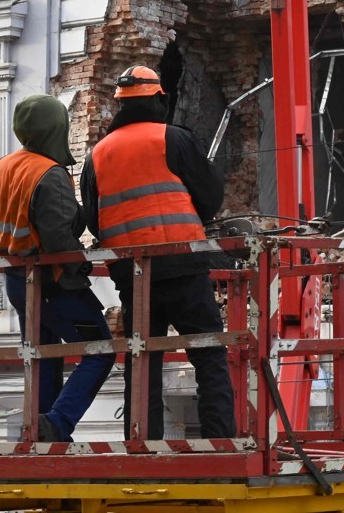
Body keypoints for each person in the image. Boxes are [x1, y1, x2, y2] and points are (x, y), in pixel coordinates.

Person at [80, 65, 235, 440]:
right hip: (182, 263)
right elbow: (211, 196)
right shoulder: (173, 139)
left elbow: (93, 220)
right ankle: (219, 439)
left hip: (133, 273)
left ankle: (141, 442)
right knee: (209, 352)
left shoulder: (97, 154)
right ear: (159, 99)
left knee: (142, 358)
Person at [0, 94, 114, 443]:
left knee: (43, 354)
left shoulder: (4, 166)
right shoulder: (50, 173)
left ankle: (42, 430)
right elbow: (59, 237)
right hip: (53, 283)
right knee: (99, 350)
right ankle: (58, 423)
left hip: (18, 280)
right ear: (55, 129)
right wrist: (82, 264)